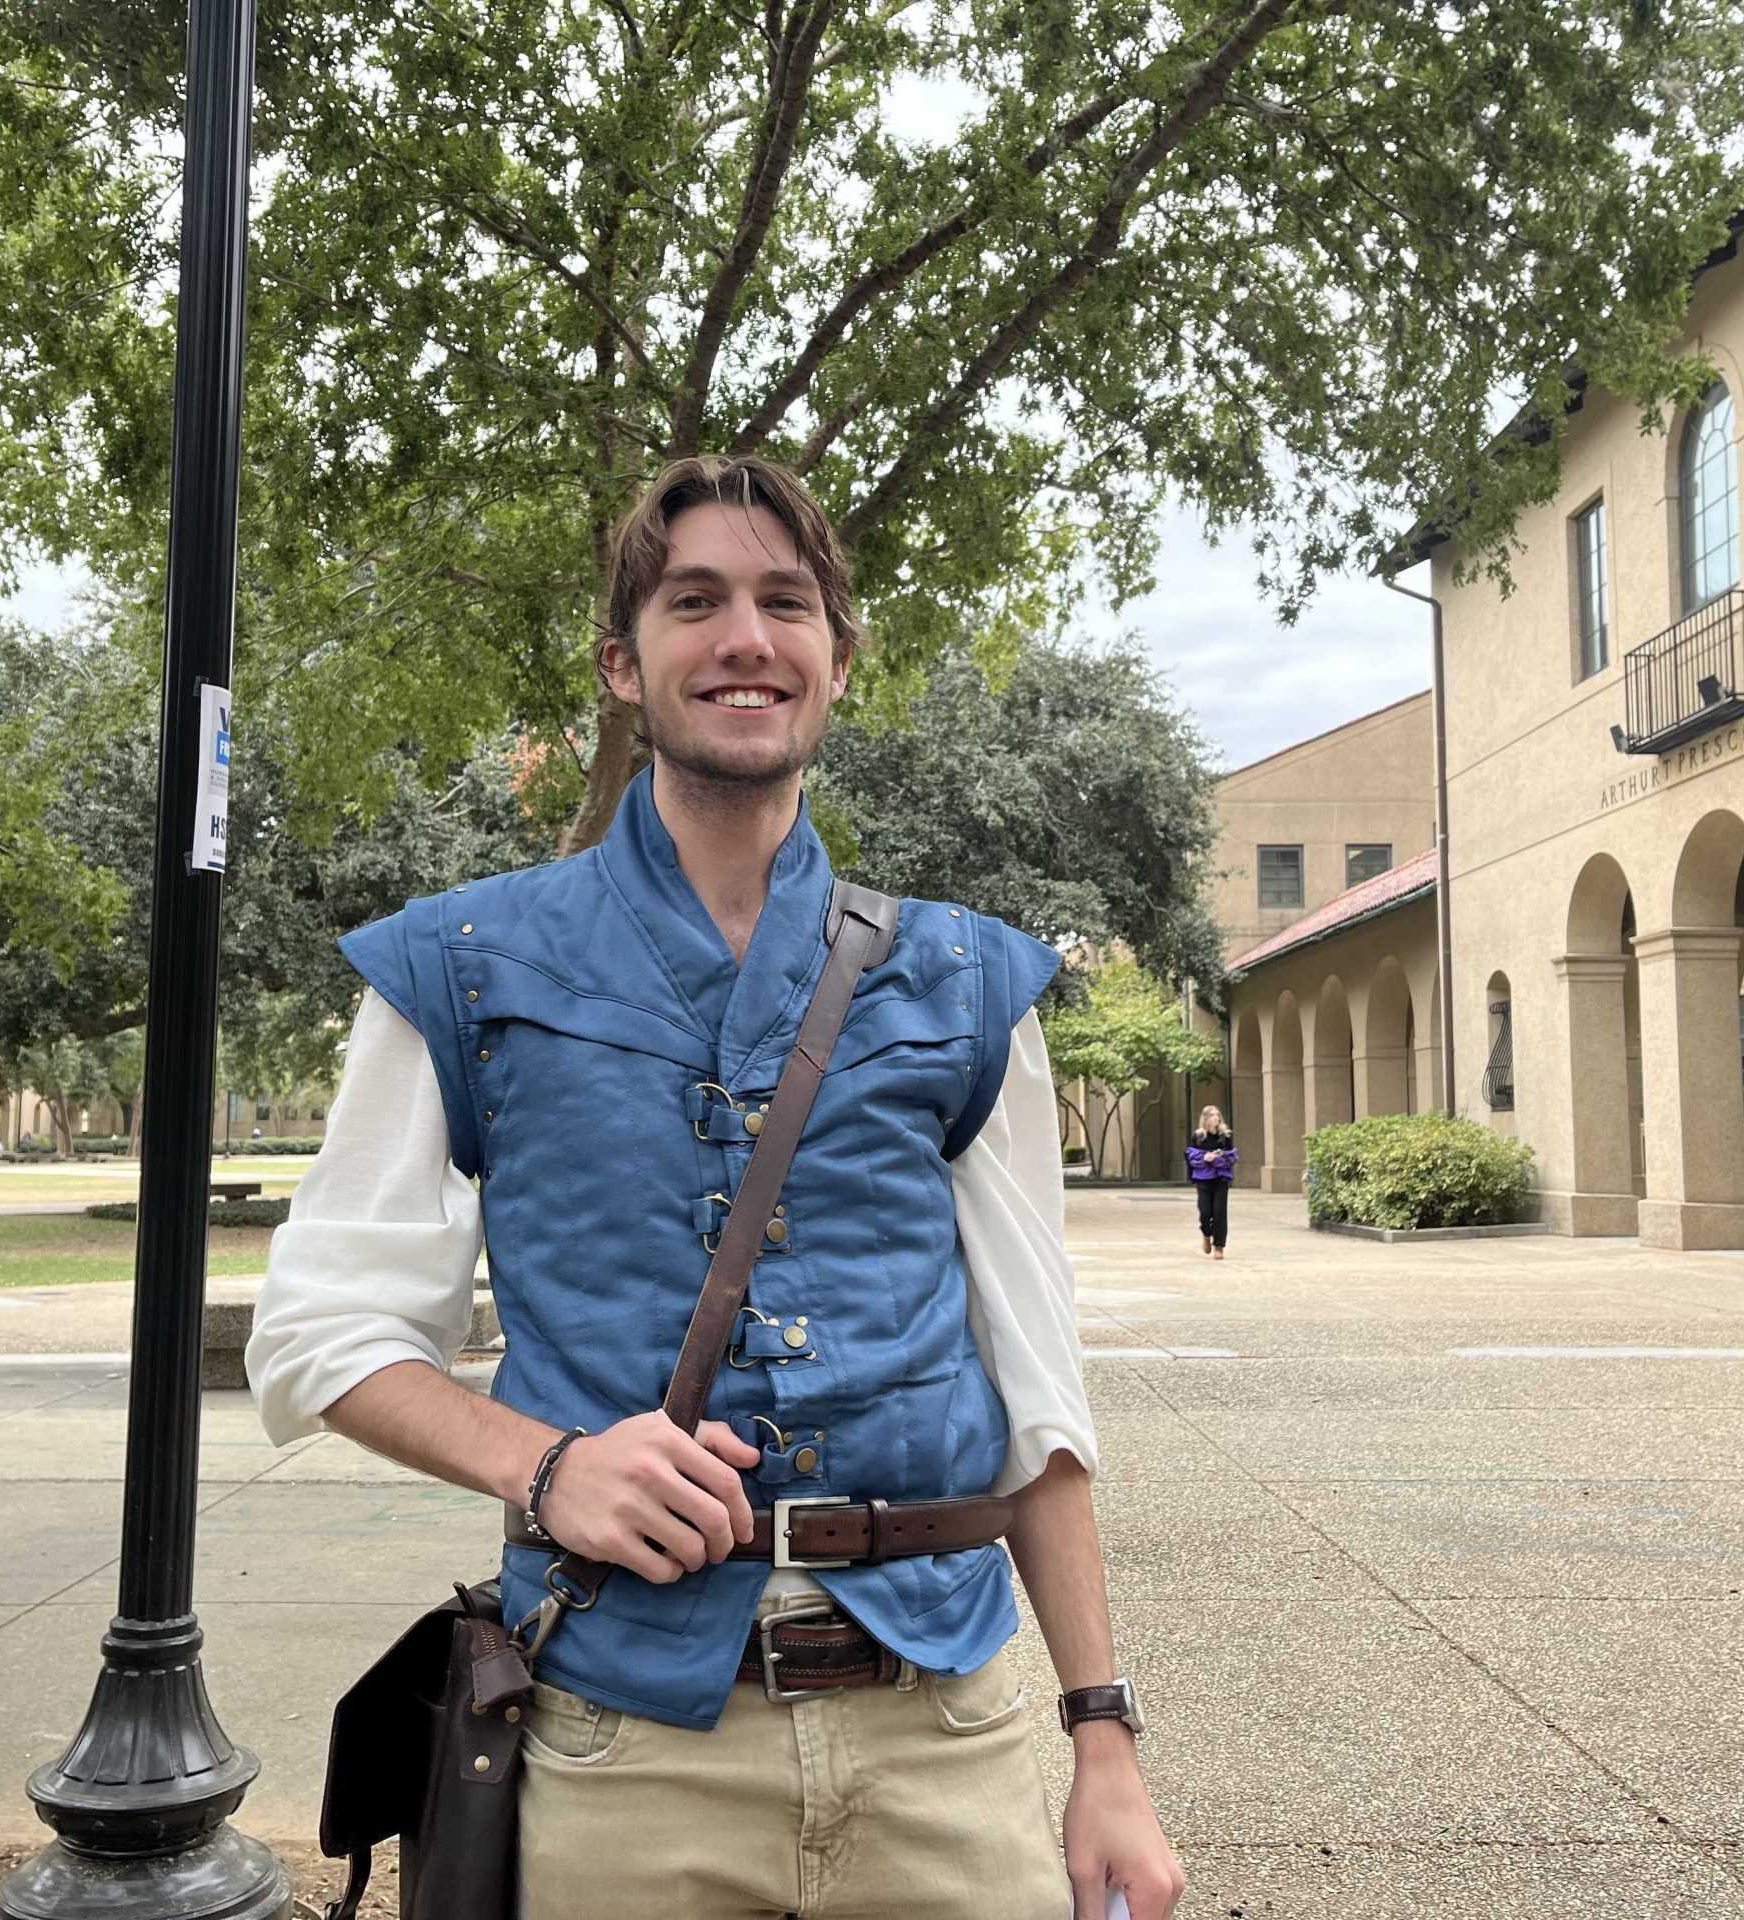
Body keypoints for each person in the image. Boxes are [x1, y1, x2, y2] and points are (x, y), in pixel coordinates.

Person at [249, 457, 1183, 1920]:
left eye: (785, 602)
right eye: (697, 602)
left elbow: (1038, 1397)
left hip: (945, 1740)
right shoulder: (464, 966)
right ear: (625, 665)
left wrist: (1103, 1742)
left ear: (836, 659)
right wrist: (546, 1468)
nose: (745, 637)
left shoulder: (968, 982)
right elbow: (319, 1337)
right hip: (627, 1756)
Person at [1184, 1105, 1237, 1260]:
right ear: (1206, 1118)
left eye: (1218, 1115)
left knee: (1220, 1212)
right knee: (1205, 1212)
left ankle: (1219, 1246)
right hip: (1203, 1180)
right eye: (1213, 1115)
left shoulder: (1225, 1136)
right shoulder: (1198, 1136)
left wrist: (1218, 1157)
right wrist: (1204, 1158)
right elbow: (1190, 1156)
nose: (1216, 1118)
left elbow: (1231, 1157)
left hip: (1220, 1178)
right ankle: (1206, 1234)